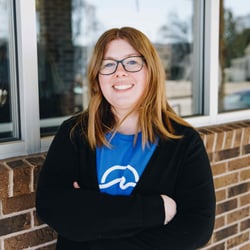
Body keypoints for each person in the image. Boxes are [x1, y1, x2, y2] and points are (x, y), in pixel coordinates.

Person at [36, 26, 216, 250]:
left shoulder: (183, 142)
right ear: (96, 77)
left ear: (150, 71)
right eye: (108, 64)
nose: (119, 72)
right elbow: (52, 206)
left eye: (132, 62)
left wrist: (91, 217)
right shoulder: (75, 133)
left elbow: (196, 230)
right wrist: (156, 211)